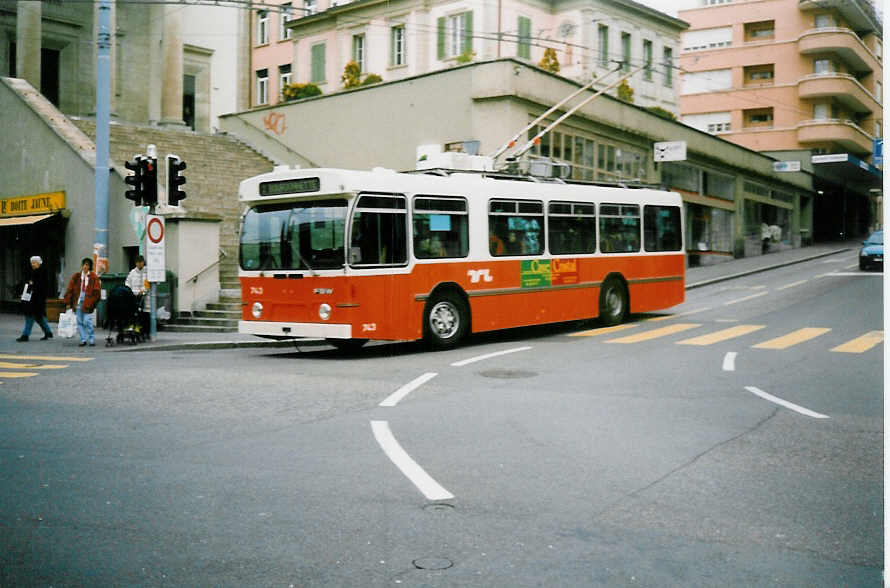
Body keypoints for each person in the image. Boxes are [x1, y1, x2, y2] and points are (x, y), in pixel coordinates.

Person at [63, 257, 101, 347]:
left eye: (87, 265)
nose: (85, 267)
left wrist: (93, 302)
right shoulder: (76, 276)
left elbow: (97, 291)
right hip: (78, 301)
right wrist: (68, 302)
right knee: (79, 321)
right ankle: (83, 339)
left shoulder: (93, 277)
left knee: (87, 320)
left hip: (88, 301)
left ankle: (91, 338)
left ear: (90, 267)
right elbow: (70, 289)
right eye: (84, 264)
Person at [16, 256, 53, 342]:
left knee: (30, 317)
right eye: (32, 262)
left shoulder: (42, 272)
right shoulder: (31, 272)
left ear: (39, 263)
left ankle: (25, 335)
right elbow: (27, 284)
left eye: (34, 262)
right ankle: (48, 332)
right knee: (38, 317)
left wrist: (32, 285)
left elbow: (41, 286)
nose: (32, 264)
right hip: (31, 298)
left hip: (37, 299)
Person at [125, 255, 150, 338]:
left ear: (143, 262)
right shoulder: (132, 272)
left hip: (144, 297)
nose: (139, 264)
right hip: (134, 296)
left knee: (145, 315)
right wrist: (130, 291)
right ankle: (134, 329)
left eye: (141, 262)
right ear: (136, 263)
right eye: (138, 263)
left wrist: (143, 291)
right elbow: (127, 283)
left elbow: (148, 285)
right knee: (134, 314)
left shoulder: (147, 272)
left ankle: (145, 332)